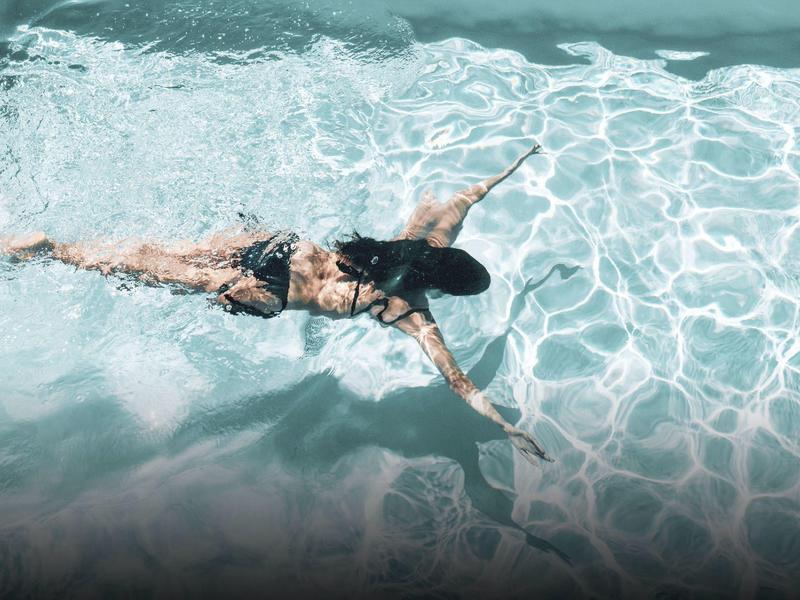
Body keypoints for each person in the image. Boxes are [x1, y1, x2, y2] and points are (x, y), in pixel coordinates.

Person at [1, 142, 552, 463]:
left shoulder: (419, 243)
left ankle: (54, 244)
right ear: (442, 287)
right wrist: (503, 425)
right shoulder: (411, 311)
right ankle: (50, 252)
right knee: (146, 272)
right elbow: (459, 380)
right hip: (271, 292)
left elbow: (467, 197)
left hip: (279, 245)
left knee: (154, 251)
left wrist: (519, 161)